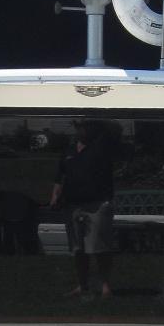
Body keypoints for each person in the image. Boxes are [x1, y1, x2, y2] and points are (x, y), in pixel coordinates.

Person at [50, 121, 115, 296]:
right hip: (73, 205)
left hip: (96, 204)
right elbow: (60, 176)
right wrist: (55, 195)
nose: (82, 130)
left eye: (86, 126)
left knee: (99, 247)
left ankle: (105, 285)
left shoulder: (100, 150)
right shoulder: (69, 152)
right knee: (78, 248)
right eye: (79, 126)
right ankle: (82, 284)